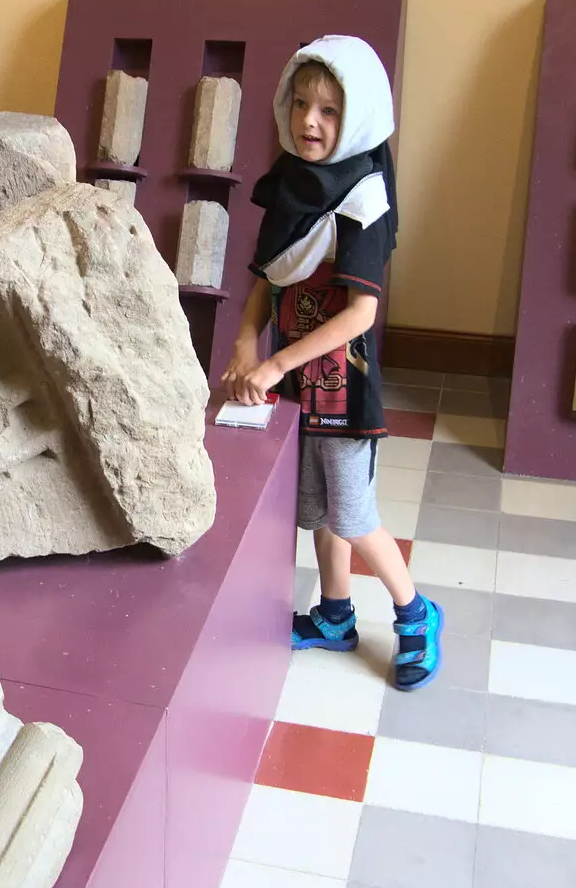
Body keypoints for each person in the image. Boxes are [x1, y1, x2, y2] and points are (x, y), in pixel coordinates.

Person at [223, 35, 444, 691]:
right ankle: (335, 614)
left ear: (359, 119)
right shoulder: (292, 182)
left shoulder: (364, 199)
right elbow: (272, 276)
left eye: (328, 111)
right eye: (300, 104)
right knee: (317, 510)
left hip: (344, 389)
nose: (309, 122)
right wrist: (244, 341)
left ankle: (416, 612)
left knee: (353, 514)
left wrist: (272, 362)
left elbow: (359, 315)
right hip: (297, 381)